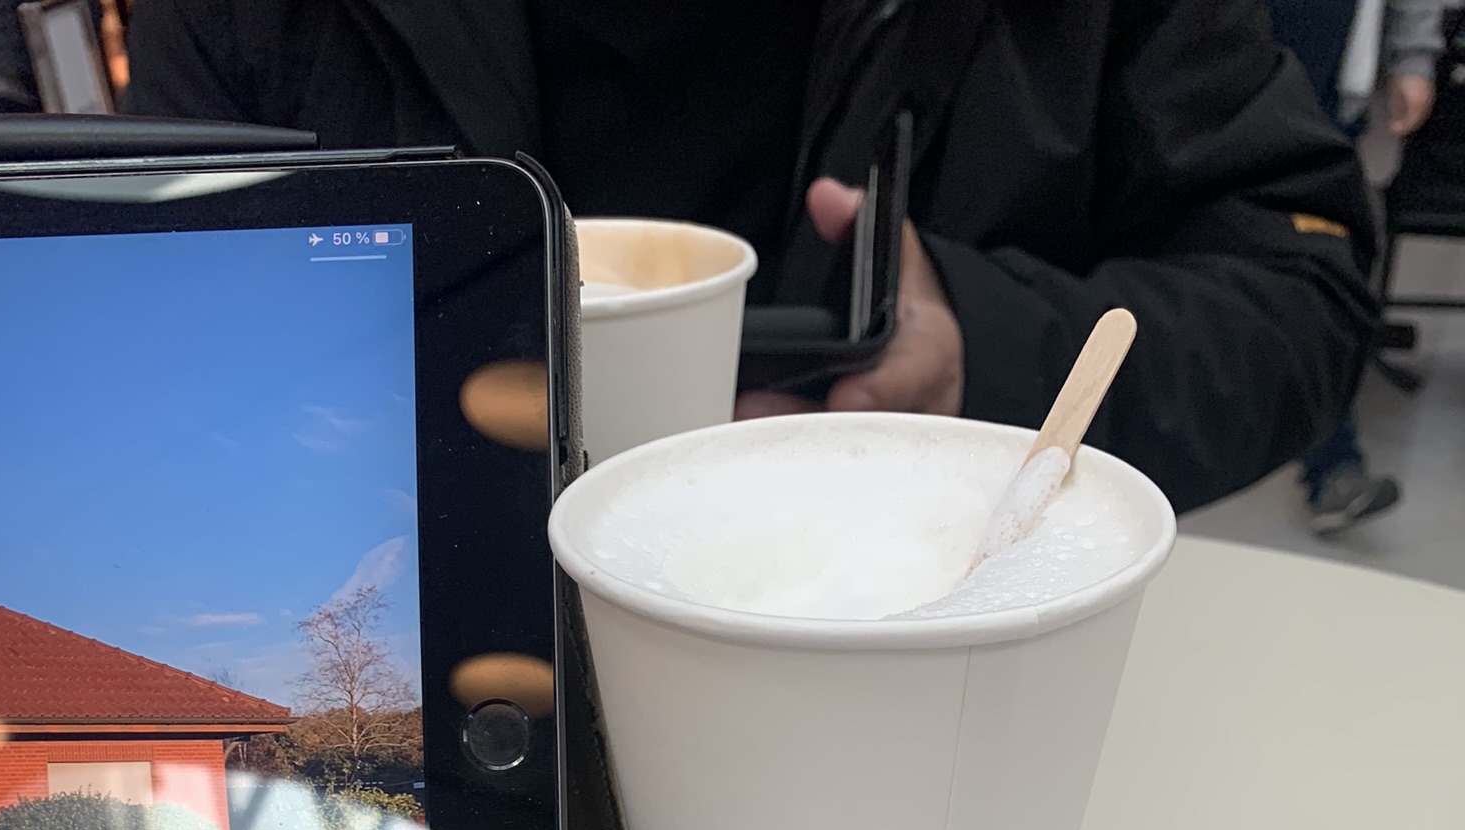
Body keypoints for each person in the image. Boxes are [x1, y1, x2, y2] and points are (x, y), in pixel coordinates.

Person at [124, 0, 1379, 514]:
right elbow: (157, 343)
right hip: (415, 695)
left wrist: (984, 354)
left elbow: (1297, 285)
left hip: (940, 689)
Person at [1267, 0, 1444, 533]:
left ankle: (1332, 465)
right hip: (1189, 70)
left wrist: (1412, 59)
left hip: (1318, 80)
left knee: (1320, 267)